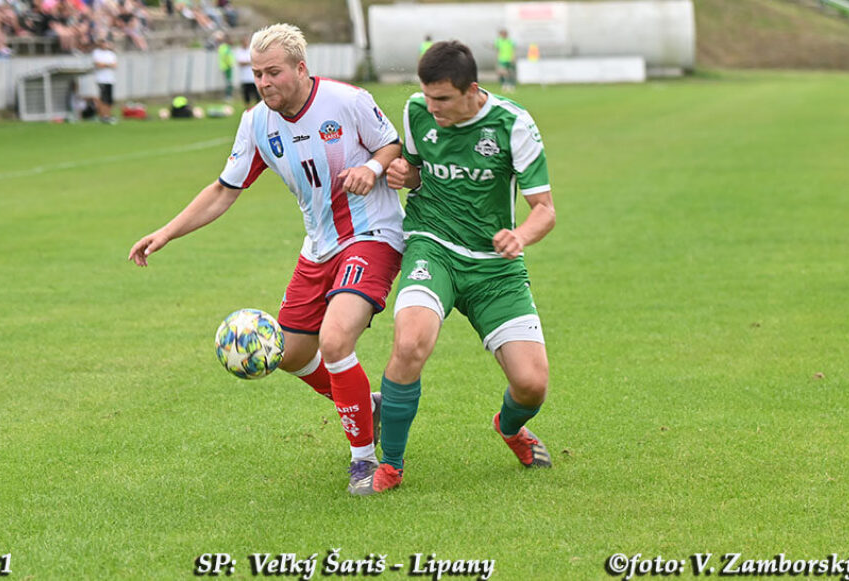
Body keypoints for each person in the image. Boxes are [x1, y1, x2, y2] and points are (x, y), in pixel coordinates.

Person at [128, 23, 405, 495]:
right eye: (257, 74)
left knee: (335, 341)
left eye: (273, 72)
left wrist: (372, 168)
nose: (264, 82)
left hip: (371, 234)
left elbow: (390, 143)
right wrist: (167, 233)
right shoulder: (257, 122)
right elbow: (223, 190)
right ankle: (368, 407)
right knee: (291, 354)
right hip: (317, 247)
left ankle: (363, 459)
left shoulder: (346, 99)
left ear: (301, 68)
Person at [358, 40, 556, 495]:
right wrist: (405, 174)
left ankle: (510, 429)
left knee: (531, 386)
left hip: (494, 267)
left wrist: (520, 235)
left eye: (443, 99)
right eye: (427, 96)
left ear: (472, 90)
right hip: (434, 246)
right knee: (410, 342)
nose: (433, 108)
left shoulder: (513, 124)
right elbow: (414, 166)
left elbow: (544, 208)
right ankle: (390, 464)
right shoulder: (416, 110)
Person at [91, 35, 117, 123]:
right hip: (101, 79)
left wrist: (105, 65)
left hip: (110, 79)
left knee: (109, 99)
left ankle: (108, 115)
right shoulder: (96, 52)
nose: (105, 44)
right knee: (103, 98)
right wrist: (108, 65)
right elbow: (98, 64)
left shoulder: (111, 54)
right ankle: (103, 115)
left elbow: (115, 65)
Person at [233, 34, 258, 109]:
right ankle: (248, 108)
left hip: (252, 77)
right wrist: (249, 62)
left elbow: (255, 61)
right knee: (246, 94)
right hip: (244, 78)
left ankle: (258, 107)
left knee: (256, 94)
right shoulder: (239, 51)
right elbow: (240, 63)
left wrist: (247, 62)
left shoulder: (251, 51)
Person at [215, 30, 234, 100]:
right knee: (228, 81)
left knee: (227, 81)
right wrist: (230, 64)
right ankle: (228, 96)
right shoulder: (226, 47)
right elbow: (227, 57)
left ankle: (228, 95)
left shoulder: (222, 47)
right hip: (227, 67)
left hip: (224, 66)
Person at [495, 28, 515, 92]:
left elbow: (512, 50)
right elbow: (498, 51)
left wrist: (513, 58)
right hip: (502, 59)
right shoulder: (498, 41)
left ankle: (511, 85)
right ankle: (504, 85)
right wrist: (497, 59)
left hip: (509, 59)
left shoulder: (510, 41)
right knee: (502, 73)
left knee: (510, 73)